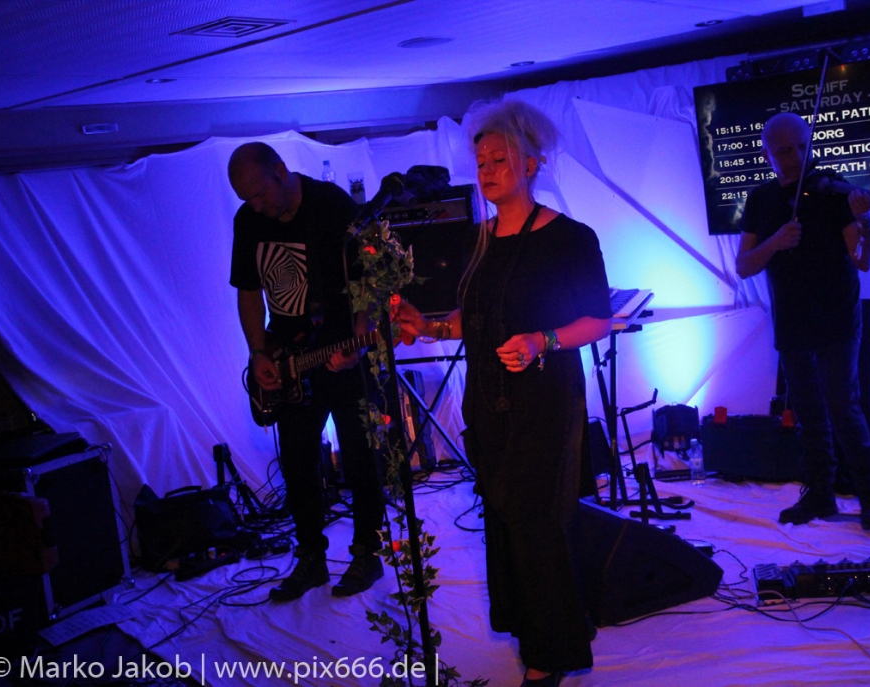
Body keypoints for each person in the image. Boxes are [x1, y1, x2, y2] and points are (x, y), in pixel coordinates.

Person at [396, 101, 612, 687]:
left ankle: (550, 653)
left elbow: (598, 320)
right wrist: (428, 327)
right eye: (481, 161)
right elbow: (475, 320)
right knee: (507, 521)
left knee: (537, 521)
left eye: (500, 160)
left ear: (532, 164)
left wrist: (544, 340)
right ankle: (547, 623)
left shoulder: (569, 237)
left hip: (545, 400)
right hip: (488, 402)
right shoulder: (479, 239)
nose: (487, 171)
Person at [228, 142, 386, 601]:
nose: (256, 206)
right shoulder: (247, 221)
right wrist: (258, 353)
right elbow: (248, 291)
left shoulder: (331, 205)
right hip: (288, 357)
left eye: (260, 193)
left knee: (360, 453)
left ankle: (367, 553)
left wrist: (360, 336)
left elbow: (369, 278)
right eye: (246, 199)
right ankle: (311, 558)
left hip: (342, 346)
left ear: (280, 170)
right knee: (297, 461)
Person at [735, 112, 870, 531]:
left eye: (802, 147)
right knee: (807, 411)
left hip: (838, 316)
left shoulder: (835, 192)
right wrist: (776, 241)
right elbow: (744, 265)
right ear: (767, 155)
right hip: (792, 320)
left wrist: (868, 224)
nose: (796, 158)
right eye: (784, 151)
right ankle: (821, 494)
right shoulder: (760, 199)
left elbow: (863, 260)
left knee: (843, 406)